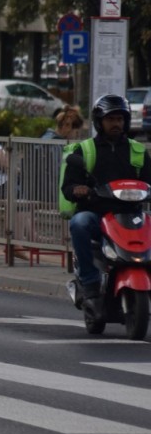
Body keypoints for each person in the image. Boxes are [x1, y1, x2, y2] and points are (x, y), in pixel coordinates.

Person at [60, 94, 151, 306]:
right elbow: (68, 186)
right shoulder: (85, 150)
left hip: (131, 214)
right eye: (111, 119)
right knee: (79, 223)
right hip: (98, 214)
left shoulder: (137, 151)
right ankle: (89, 283)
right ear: (100, 122)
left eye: (120, 119)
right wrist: (79, 189)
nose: (116, 124)